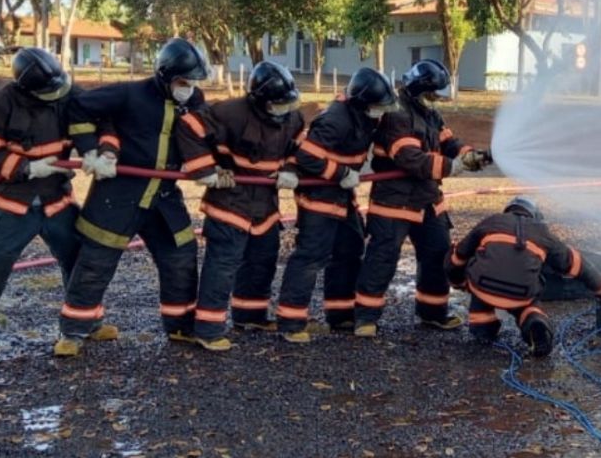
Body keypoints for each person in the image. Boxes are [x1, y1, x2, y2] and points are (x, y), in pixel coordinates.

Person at [0, 47, 113, 368]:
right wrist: (27, 168)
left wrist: (101, 152)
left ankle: (88, 322)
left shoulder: (68, 93)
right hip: (12, 204)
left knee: (80, 258)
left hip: (56, 200)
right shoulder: (3, 103)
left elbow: (103, 120)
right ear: (28, 88)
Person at [53, 38, 210, 358]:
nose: (189, 88)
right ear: (165, 76)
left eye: (194, 82)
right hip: (119, 195)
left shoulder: (194, 100)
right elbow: (79, 108)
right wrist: (91, 151)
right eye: (183, 82)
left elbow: (203, 135)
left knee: (180, 256)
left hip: (164, 197)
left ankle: (180, 326)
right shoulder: (129, 94)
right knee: (96, 261)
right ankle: (74, 331)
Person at [176, 59, 305, 350]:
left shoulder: (293, 118)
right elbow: (188, 127)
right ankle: (208, 330)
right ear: (259, 100)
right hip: (229, 201)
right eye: (277, 105)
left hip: (265, 206)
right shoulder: (229, 112)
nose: (284, 110)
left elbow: (301, 147)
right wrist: (205, 170)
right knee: (222, 266)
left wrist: (291, 169)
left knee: (263, 259)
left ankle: (250, 316)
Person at [353, 59, 487, 337]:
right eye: (433, 94)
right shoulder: (396, 114)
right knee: (382, 258)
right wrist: (453, 166)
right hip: (395, 202)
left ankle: (433, 313)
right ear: (418, 90)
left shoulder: (429, 113)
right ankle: (365, 318)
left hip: (428, 200)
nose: (437, 99)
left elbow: (447, 141)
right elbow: (410, 158)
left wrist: (467, 154)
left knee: (437, 255)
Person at [273, 67, 396, 344]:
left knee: (349, 251)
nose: (381, 112)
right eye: (378, 106)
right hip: (319, 198)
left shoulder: (362, 115)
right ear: (362, 102)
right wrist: (341, 173)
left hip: (342, 198)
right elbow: (307, 156)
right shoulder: (336, 119)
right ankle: (291, 322)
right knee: (310, 257)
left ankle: (340, 315)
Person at [446, 197, 601, 357]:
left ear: (509, 210)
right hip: (520, 294)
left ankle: (483, 331)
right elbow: (578, 265)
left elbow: (458, 256)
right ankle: (534, 322)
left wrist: (458, 282)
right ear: (534, 215)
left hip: (483, 287)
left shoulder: (492, 221)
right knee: (528, 304)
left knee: (480, 287)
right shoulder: (543, 233)